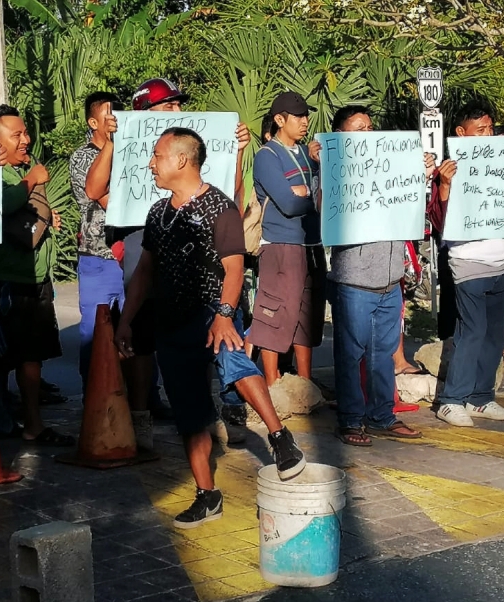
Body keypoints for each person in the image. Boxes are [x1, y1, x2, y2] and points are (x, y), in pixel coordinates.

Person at [115, 127, 305, 528]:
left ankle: (278, 437)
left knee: (235, 368)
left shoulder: (220, 207)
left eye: (158, 156)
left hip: (213, 313)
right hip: (171, 322)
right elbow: (145, 271)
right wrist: (127, 320)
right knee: (189, 412)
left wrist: (223, 314)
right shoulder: (157, 213)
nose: (152, 163)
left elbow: (233, 267)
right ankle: (207, 494)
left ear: (182, 160)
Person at [321, 106, 423, 446]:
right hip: (354, 284)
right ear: (340, 136)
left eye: (369, 127)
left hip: (390, 282)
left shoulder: (390, 166)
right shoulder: (333, 171)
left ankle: (382, 416)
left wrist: (420, 173)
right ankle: (351, 421)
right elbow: (324, 211)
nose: (366, 133)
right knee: (350, 355)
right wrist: (325, 166)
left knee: (383, 354)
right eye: (357, 128)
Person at [0, 104, 73, 447]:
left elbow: (34, 216)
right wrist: (32, 181)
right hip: (5, 278)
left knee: (30, 354)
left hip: (35, 277)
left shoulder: (21, 171)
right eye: (16, 134)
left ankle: (27, 422)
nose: (26, 139)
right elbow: (1, 207)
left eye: (25, 132)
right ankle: (1, 421)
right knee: (1, 357)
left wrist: (47, 212)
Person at [430, 102, 504, 427]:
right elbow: (438, 222)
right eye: (480, 130)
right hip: (468, 262)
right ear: (461, 133)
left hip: (502, 261)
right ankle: (452, 399)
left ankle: (481, 398)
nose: (488, 134)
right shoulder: (449, 169)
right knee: (472, 330)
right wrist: (445, 187)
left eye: (490, 129)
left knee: (496, 334)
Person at [251, 91, 326, 386]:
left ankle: (305, 383)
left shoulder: (307, 155)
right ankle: (272, 381)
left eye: (306, 115)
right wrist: (311, 198)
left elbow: (315, 197)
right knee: (277, 311)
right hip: (281, 245)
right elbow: (289, 204)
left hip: (312, 244)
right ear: (280, 120)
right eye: (298, 116)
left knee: (307, 313)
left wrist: (308, 188)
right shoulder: (267, 156)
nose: (305, 121)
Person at [69, 92, 125, 392]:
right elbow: (104, 198)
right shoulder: (83, 156)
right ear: (93, 122)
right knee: (95, 329)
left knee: (135, 329)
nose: (116, 119)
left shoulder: (132, 151)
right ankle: (93, 395)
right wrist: (112, 146)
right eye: (108, 115)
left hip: (130, 257)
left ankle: (145, 397)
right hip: (98, 256)